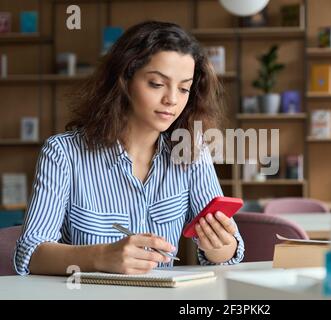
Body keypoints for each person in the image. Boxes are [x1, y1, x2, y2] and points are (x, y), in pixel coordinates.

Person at [14, 21, 244, 275]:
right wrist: (102, 256)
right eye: (157, 84)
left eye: (184, 88)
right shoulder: (63, 154)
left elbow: (228, 256)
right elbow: (31, 253)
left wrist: (220, 247)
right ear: (124, 80)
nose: (172, 99)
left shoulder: (190, 151)